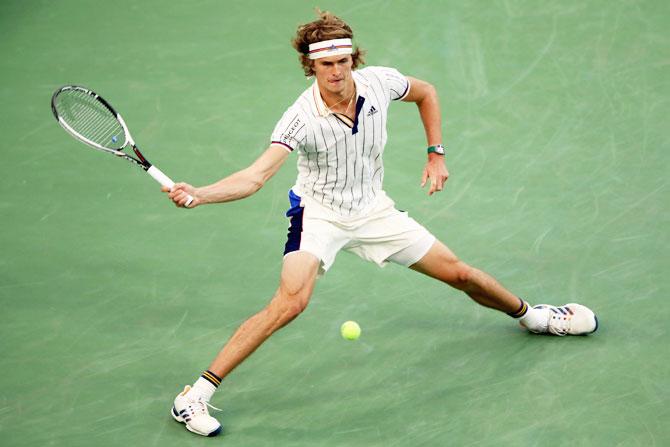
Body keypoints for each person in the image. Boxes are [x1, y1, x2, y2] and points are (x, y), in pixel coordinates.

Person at [163, 10, 598, 437]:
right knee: (290, 303)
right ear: (310, 65)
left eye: (343, 61)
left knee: (462, 274)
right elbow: (256, 176)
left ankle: (534, 317)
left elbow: (426, 92)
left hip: (374, 211)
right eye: (326, 64)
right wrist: (202, 193)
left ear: (354, 58)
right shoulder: (299, 118)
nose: (337, 72)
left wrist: (436, 153)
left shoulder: (380, 82)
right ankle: (194, 396)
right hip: (319, 214)